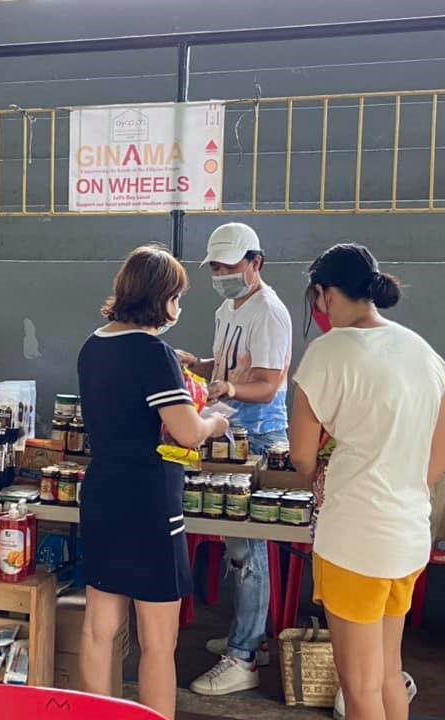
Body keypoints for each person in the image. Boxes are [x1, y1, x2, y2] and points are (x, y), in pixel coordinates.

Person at [289, 244, 445, 720]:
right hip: (407, 535)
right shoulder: (420, 349)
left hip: (354, 541)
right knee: (387, 673)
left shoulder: (327, 353)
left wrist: (322, 472)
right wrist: (402, 488)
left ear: (322, 294)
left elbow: (302, 455)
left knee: (358, 686)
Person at [77, 245, 228, 719]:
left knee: (99, 628)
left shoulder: (94, 344)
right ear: (160, 298)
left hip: (102, 492)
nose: (178, 308)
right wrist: (214, 422)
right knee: (158, 640)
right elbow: (185, 431)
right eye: (177, 297)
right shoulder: (153, 354)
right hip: (149, 499)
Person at [180, 223, 292, 696]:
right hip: (230, 431)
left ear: (255, 263)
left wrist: (227, 388)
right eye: (217, 268)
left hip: (259, 436)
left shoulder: (269, 312)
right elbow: (226, 366)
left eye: (229, 267)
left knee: (249, 548)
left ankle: (244, 655)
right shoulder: (231, 306)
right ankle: (250, 637)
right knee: (238, 547)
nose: (222, 275)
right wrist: (199, 366)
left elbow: (267, 384)